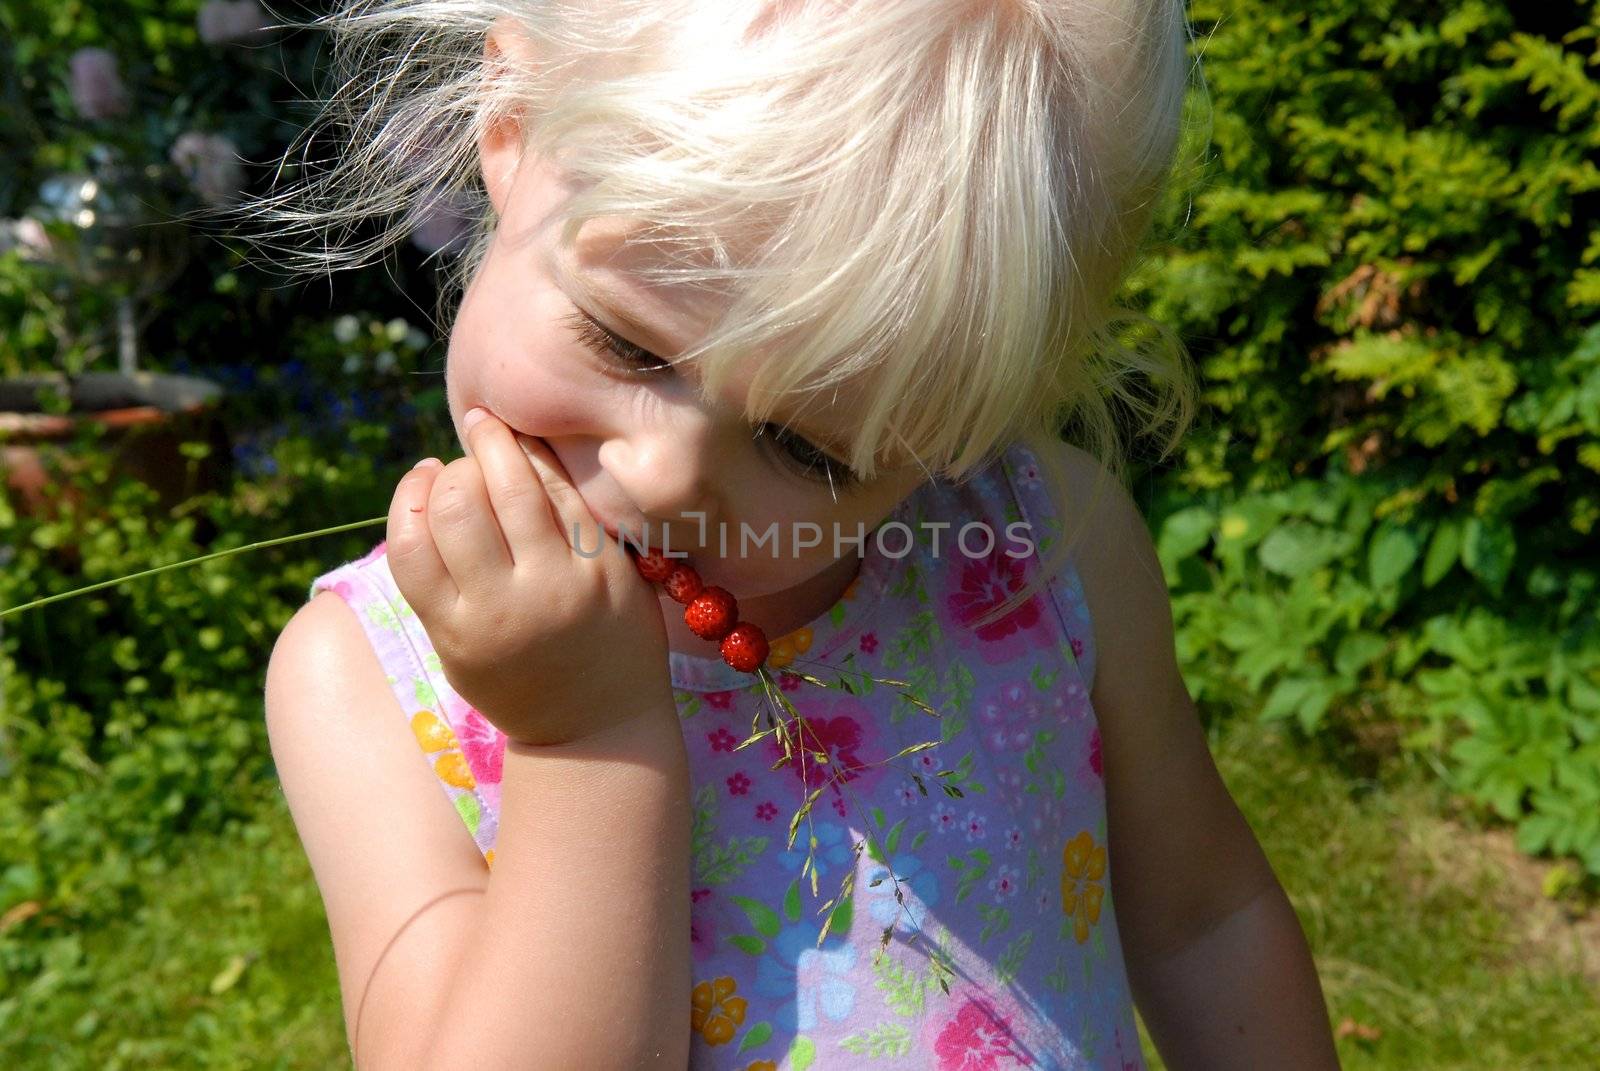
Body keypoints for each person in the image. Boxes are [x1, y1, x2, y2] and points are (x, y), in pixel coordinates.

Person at [254, 2, 1342, 1068]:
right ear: (512, 123)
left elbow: (1204, 920)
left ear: (971, 421)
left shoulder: (1040, 544)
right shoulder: (370, 679)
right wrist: (579, 738)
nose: (666, 480)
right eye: (629, 344)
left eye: (811, 451)